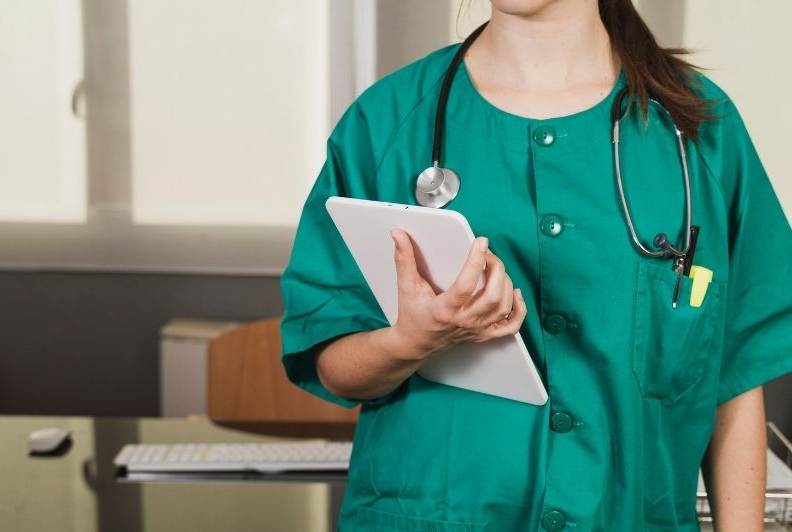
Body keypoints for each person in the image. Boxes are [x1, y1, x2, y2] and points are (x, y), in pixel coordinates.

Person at [279, 0, 792, 530]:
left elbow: (735, 376)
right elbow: (330, 360)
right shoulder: (386, 123)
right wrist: (413, 340)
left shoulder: (698, 128)